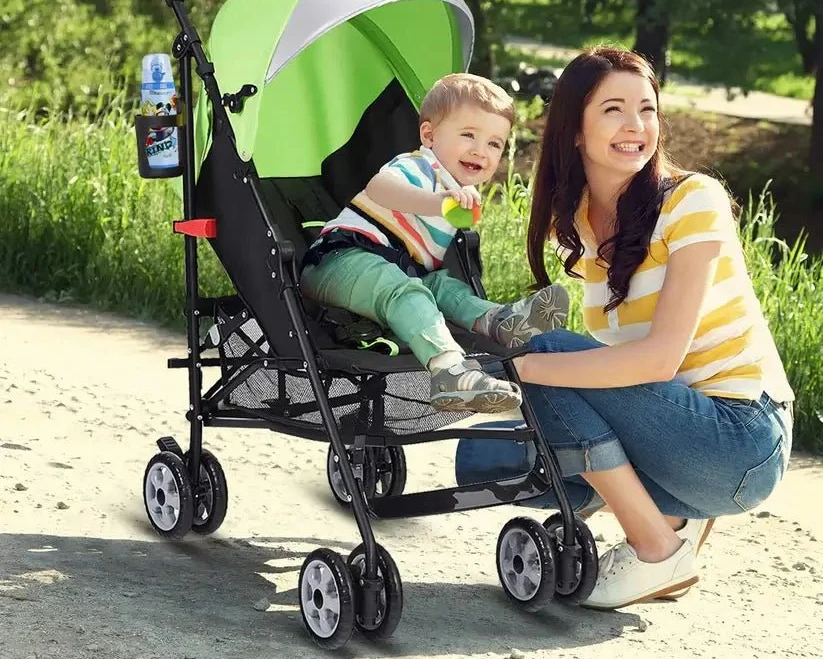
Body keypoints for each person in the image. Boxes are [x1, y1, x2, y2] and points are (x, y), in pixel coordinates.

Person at [454, 46, 794, 608]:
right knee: (482, 462)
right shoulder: (580, 224)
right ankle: (673, 515)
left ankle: (657, 546)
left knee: (548, 358)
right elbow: (610, 368)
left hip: (740, 439)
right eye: (614, 110)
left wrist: (521, 370)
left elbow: (658, 360)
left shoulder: (693, 200)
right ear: (575, 131)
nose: (636, 125)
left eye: (647, 109)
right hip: (673, 431)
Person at [300, 73, 570, 413]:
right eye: (468, 135)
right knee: (408, 290)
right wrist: (437, 202)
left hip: (399, 268)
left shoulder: (460, 191)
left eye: (494, 144)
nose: (480, 150)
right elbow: (380, 188)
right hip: (340, 260)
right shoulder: (419, 166)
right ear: (429, 135)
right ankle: (449, 369)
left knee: (445, 287)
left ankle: (498, 322)